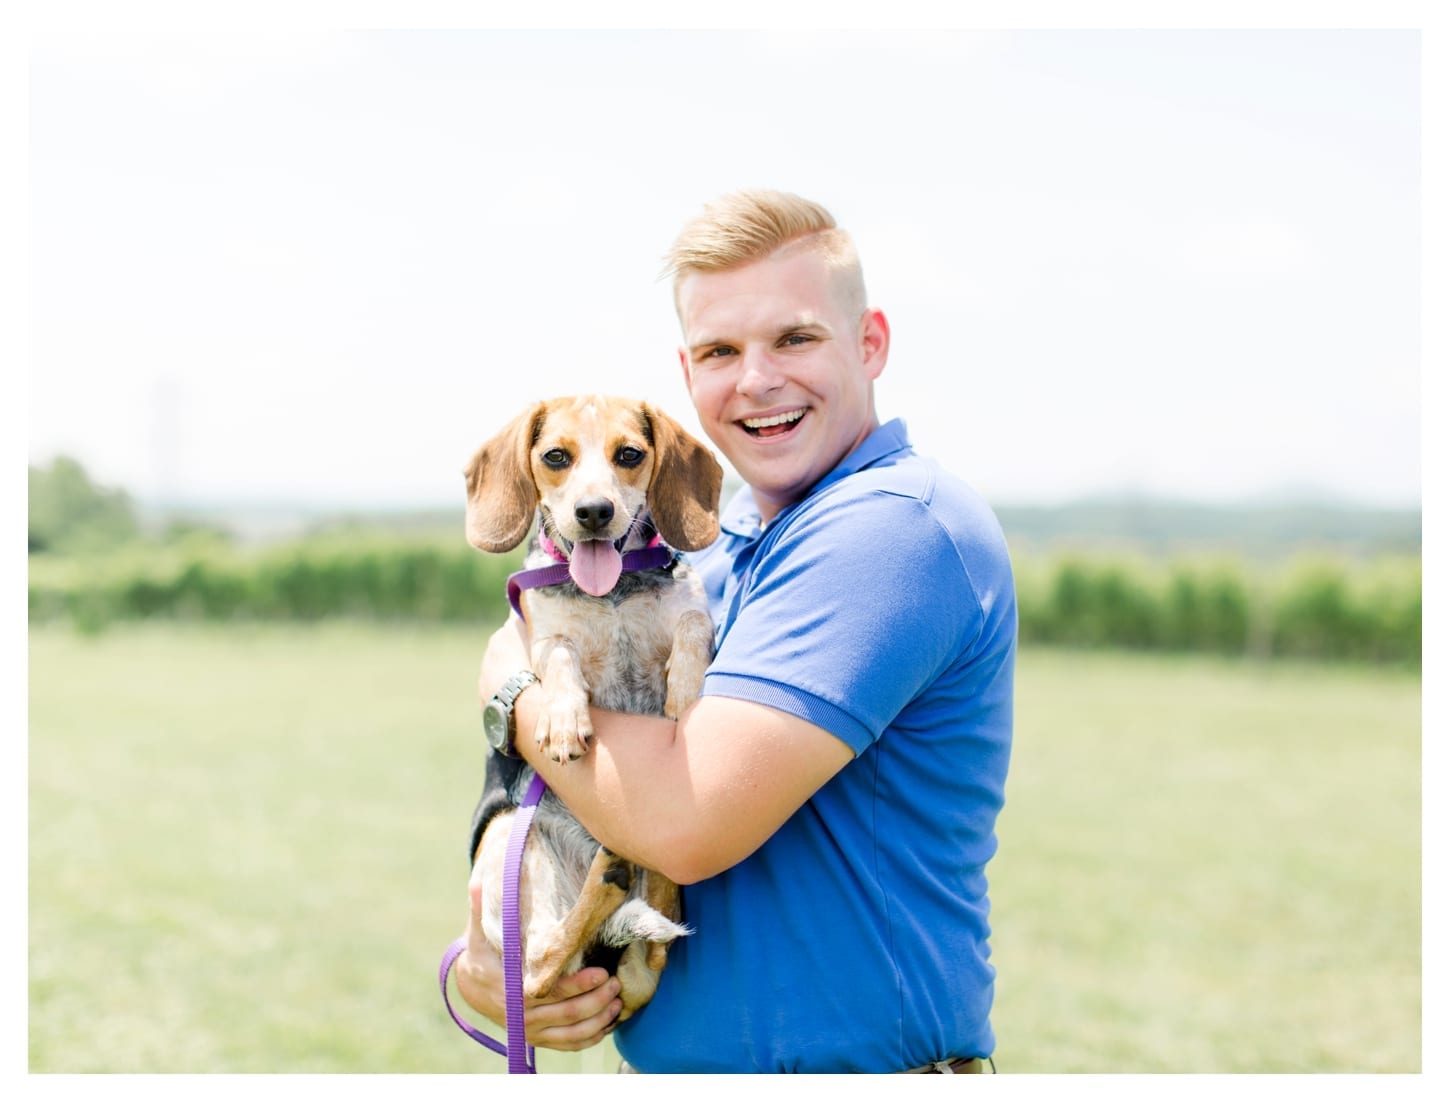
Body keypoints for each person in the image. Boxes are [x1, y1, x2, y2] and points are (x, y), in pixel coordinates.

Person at [452, 189, 1016, 1073]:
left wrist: (509, 683)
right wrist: (495, 936)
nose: (756, 380)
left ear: (869, 343)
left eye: (794, 339)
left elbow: (680, 821)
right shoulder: (698, 554)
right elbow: (541, 768)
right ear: (688, 375)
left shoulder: (891, 529)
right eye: (721, 350)